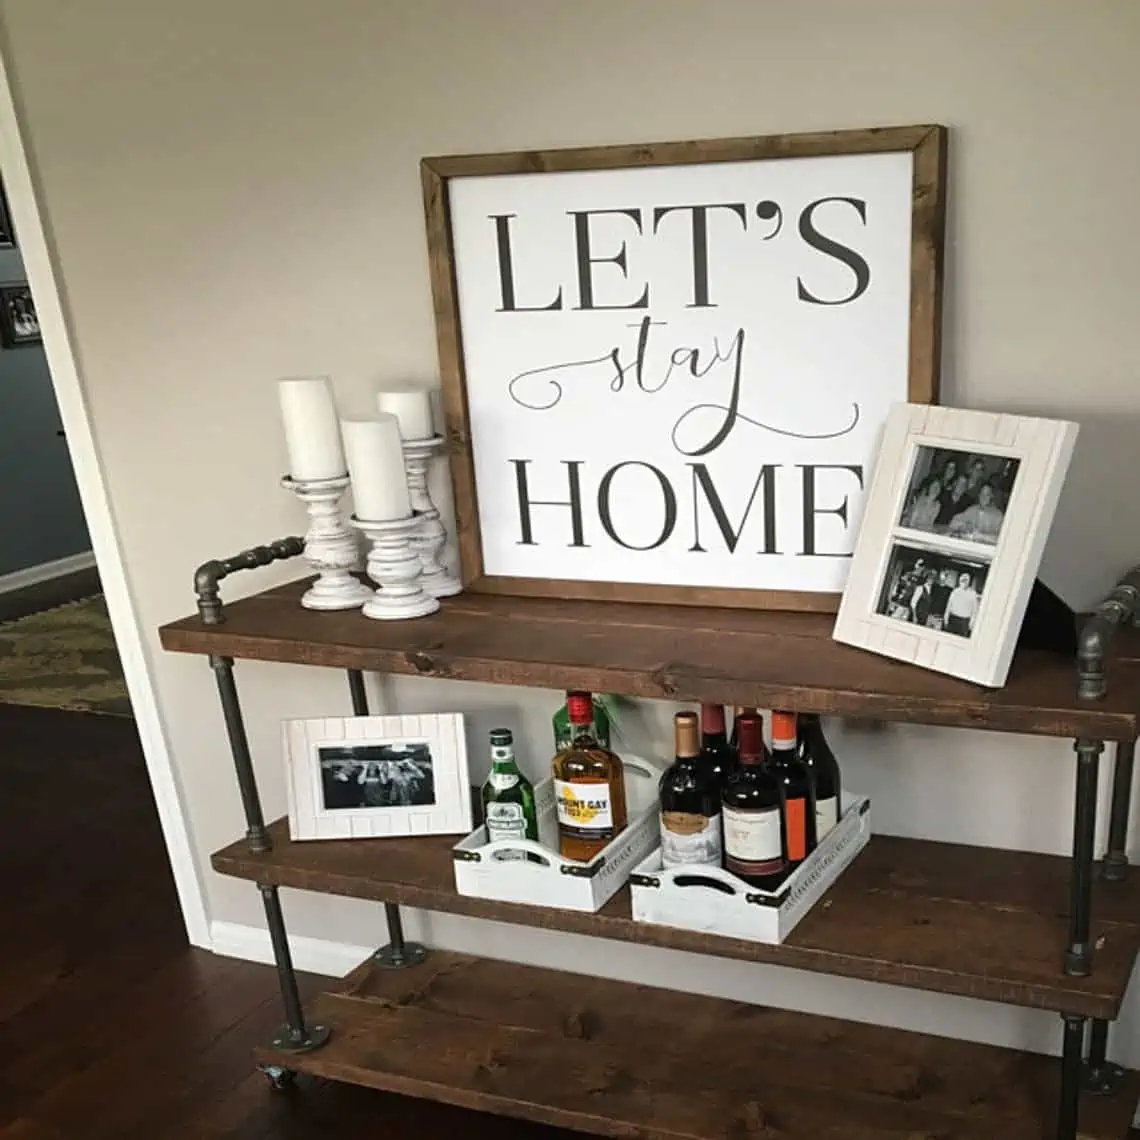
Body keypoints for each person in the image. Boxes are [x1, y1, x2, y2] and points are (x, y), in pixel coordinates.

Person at [944, 571, 980, 636]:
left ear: (969, 582)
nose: (964, 582)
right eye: (962, 580)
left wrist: (972, 623)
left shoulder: (973, 594)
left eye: (966, 580)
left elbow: (974, 610)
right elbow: (948, 606)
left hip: (964, 622)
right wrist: (946, 618)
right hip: (953, 619)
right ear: (959, 581)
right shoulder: (955, 591)